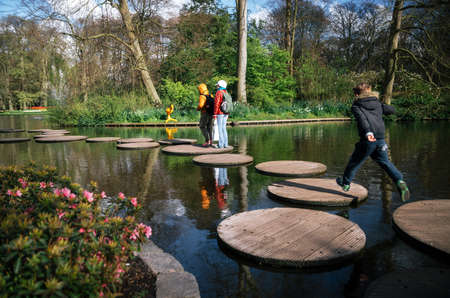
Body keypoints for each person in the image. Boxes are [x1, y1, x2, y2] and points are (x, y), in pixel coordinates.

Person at [336, 83, 410, 201]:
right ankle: (399, 180)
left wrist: (368, 132)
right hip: (380, 140)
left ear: (356, 94)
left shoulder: (356, 106)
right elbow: (391, 110)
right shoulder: (377, 103)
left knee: (355, 162)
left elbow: (362, 120)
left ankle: (345, 183)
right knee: (385, 162)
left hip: (368, 140)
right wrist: (384, 106)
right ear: (369, 91)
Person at [213, 80, 229, 148]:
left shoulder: (219, 92)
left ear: (220, 85)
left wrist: (215, 114)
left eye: (217, 85)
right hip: (226, 112)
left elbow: (217, 104)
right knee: (224, 128)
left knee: (219, 129)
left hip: (220, 112)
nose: (217, 86)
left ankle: (220, 145)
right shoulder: (226, 92)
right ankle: (225, 144)